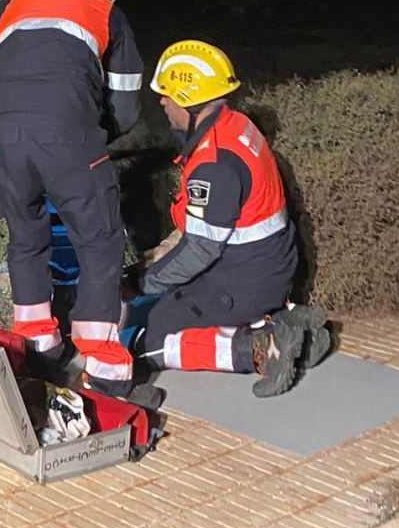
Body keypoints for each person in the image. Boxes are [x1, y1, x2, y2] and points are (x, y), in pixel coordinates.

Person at [0, 0, 152, 405]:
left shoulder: (9, 4)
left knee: (26, 238)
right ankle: (105, 371)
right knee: (100, 243)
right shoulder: (107, 14)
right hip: (70, 138)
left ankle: (39, 347)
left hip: (3, 141)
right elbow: (125, 112)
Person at [138, 40, 329, 397]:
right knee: (174, 295)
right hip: (269, 268)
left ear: (187, 97)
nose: (162, 101)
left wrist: (143, 284)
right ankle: (292, 325)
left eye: (166, 94)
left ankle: (261, 348)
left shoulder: (214, 164)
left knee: (152, 337)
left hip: (243, 282)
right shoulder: (236, 124)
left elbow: (199, 252)